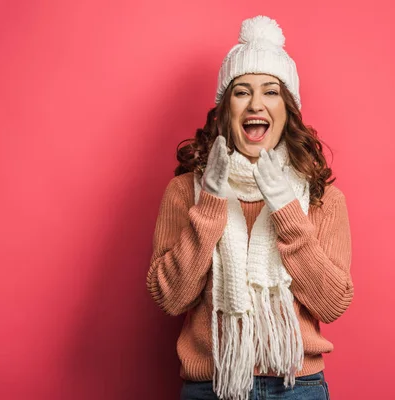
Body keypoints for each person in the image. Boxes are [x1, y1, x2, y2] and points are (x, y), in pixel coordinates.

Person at [147, 15, 354, 400]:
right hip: (212, 385)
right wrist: (209, 203)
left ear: (288, 108)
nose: (255, 103)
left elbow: (332, 302)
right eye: (242, 92)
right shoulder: (186, 191)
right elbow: (170, 297)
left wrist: (287, 210)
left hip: (297, 387)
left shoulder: (321, 198)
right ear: (226, 108)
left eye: (271, 92)